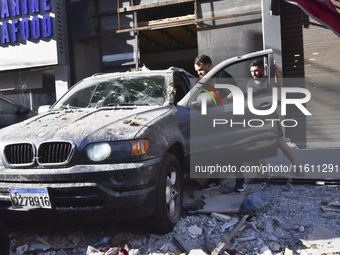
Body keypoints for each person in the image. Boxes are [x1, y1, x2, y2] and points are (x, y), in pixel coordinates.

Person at [193, 54, 246, 192]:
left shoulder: (221, 75)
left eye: (201, 70)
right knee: (213, 150)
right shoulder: (202, 82)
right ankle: (213, 180)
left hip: (226, 118)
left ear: (209, 66)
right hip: (210, 121)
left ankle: (240, 180)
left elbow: (235, 93)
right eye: (197, 71)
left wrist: (218, 102)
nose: (199, 73)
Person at [245, 59, 303, 180]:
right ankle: (261, 174)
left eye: (256, 71)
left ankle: (297, 167)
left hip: (270, 118)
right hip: (256, 119)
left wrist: (275, 69)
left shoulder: (268, 80)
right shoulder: (250, 83)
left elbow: (278, 80)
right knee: (258, 146)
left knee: (281, 144)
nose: (254, 73)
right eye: (252, 71)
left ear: (262, 69)